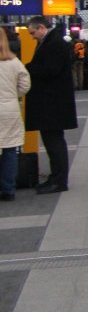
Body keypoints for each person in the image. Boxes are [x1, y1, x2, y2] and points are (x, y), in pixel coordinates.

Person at [25, 16, 77, 194]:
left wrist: (27, 68)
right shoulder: (51, 42)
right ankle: (55, 177)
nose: (32, 36)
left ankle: (59, 180)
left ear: (41, 28)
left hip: (52, 103)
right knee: (52, 142)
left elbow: (51, 70)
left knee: (54, 143)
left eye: (33, 33)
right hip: (51, 103)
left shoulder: (54, 44)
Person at [0, 31, 30, 200]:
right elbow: (25, 84)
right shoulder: (14, 61)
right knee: (10, 150)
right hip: (9, 109)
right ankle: (8, 190)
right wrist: (13, 95)